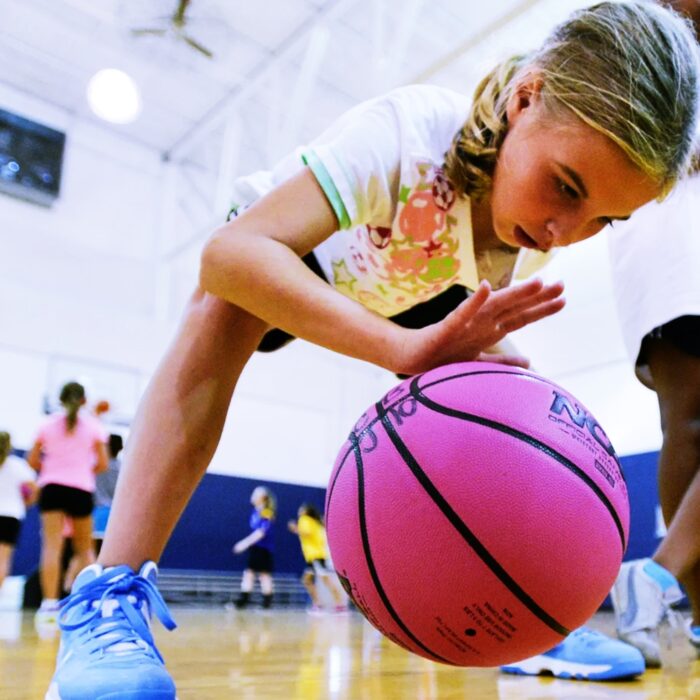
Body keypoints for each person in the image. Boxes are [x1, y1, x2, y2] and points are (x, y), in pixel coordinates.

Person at [45, 3, 700, 698]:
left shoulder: (523, 233)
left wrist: (445, 353)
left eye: (606, 218)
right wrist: (400, 346)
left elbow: (450, 324)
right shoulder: (410, 136)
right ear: (525, 96)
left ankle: (533, 618)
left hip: (413, 284)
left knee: (510, 397)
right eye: (566, 187)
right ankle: (106, 598)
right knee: (221, 312)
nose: (566, 229)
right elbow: (230, 254)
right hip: (300, 254)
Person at [27, 381, 108, 634]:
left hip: (52, 488)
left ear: (60, 400)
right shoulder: (95, 427)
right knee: (85, 550)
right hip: (81, 489)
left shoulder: (46, 425)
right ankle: (88, 603)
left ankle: (49, 606)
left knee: (52, 547)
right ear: (84, 401)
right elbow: (103, 464)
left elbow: (32, 459)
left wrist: (52, 470)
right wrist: (82, 471)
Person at [288, 504, 346, 614]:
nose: (299, 510)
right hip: (315, 556)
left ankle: (339, 604)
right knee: (307, 580)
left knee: (324, 580)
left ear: (306, 511)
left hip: (315, 557)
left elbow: (306, 532)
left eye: (302, 508)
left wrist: (295, 528)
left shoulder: (304, 519)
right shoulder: (316, 522)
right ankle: (319, 604)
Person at [0, 431, 37, 592]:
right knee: (3, 559)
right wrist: (26, 503)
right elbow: (33, 490)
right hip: (11, 516)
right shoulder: (18, 465)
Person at [231, 486, 276, 610]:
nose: (253, 495)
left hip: (263, 549)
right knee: (250, 573)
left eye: (255, 493)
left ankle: (265, 603)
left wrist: (244, 543)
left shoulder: (266, 512)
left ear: (263, 497)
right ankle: (245, 601)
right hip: (256, 548)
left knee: (262, 574)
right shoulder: (255, 511)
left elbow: (261, 532)